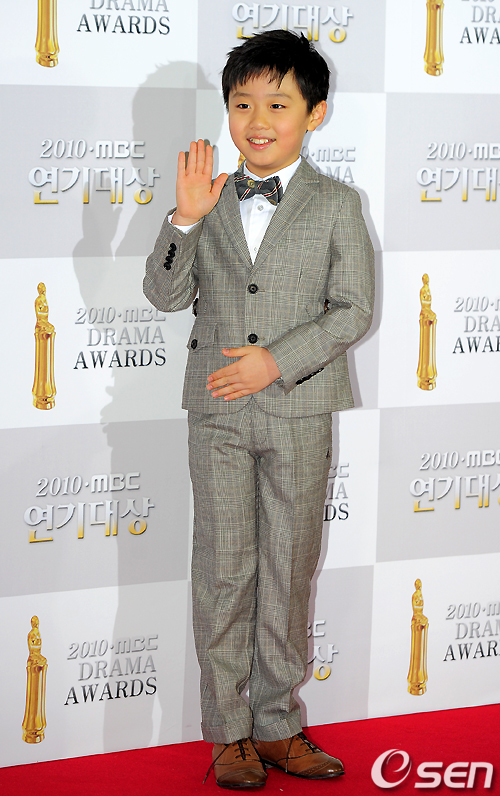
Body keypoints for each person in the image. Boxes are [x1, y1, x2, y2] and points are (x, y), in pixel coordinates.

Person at [144, 29, 375, 789]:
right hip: (216, 410)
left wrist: (277, 359)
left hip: (298, 409)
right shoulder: (207, 197)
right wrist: (183, 220)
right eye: (243, 104)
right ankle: (229, 732)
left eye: (278, 103)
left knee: (289, 565)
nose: (258, 119)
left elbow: (352, 309)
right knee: (223, 569)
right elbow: (164, 295)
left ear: (315, 113)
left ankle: (277, 725)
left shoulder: (338, 204)